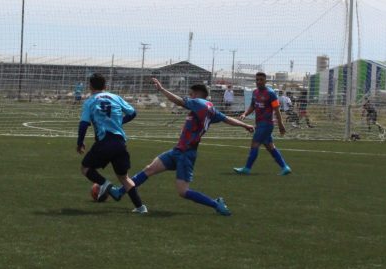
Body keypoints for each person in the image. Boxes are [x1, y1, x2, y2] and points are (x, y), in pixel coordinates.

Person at [108, 78, 254, 216]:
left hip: (186, 154)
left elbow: (178, 101)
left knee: (183, 191)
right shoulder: (211, 109)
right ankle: (119, 192)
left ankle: (216, 203)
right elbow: (227, 119)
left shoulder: (198, 103)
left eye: (191, 94)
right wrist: (245, 125)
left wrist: (162, 89)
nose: (189, 97)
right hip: (178, 150)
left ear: (197, 94)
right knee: (149, 169)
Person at [77, 73, 146, 213]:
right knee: (124, 177)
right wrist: (120, 122)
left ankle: (106, 184)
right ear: (105, 86)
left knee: (85, 168)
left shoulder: (90, 101)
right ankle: (141, 207)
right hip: (120, 142)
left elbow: (84, 124)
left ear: (90, 86)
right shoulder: (115, 97)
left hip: (104, 141)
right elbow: (132, 113)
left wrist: (80, 142)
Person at [233, 72, 292, 175]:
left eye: (261, 79)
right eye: (257, 80)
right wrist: (245, 114)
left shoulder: (271, 93)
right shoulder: (255, 92)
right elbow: (253, 106)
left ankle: (247, 168)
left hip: (266, 124)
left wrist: (281, 124)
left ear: (265, 81)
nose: (259, 81)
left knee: (255, 144)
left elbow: (277, 110)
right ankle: (285, 167)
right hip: (260, 124)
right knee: (270, 147)